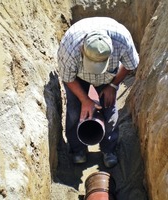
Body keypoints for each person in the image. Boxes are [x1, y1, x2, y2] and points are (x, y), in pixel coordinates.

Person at [57, 17, 139, 168]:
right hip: (78, 77)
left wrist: (113, 86)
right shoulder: (70, 46)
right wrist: (85, 100)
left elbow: (130, 64)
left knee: (110, 110)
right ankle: (78, 150)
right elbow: (67, 77)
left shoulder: (122, 41)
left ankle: (109, 150)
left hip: (108, 78)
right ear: (82, 49)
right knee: (75, 111)